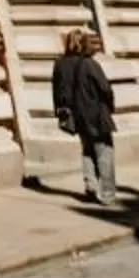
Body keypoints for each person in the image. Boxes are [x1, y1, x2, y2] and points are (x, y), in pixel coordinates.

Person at [50, 29, 119, 205]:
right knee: (104, 152)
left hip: (76, 115)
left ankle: (91, 186)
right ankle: (107, 193)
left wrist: (60, 113)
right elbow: (105, 88)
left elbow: (56, 92)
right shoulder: (90, 64)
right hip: (95, 114)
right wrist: (110, 107)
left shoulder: (59, 64)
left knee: (87, 150)